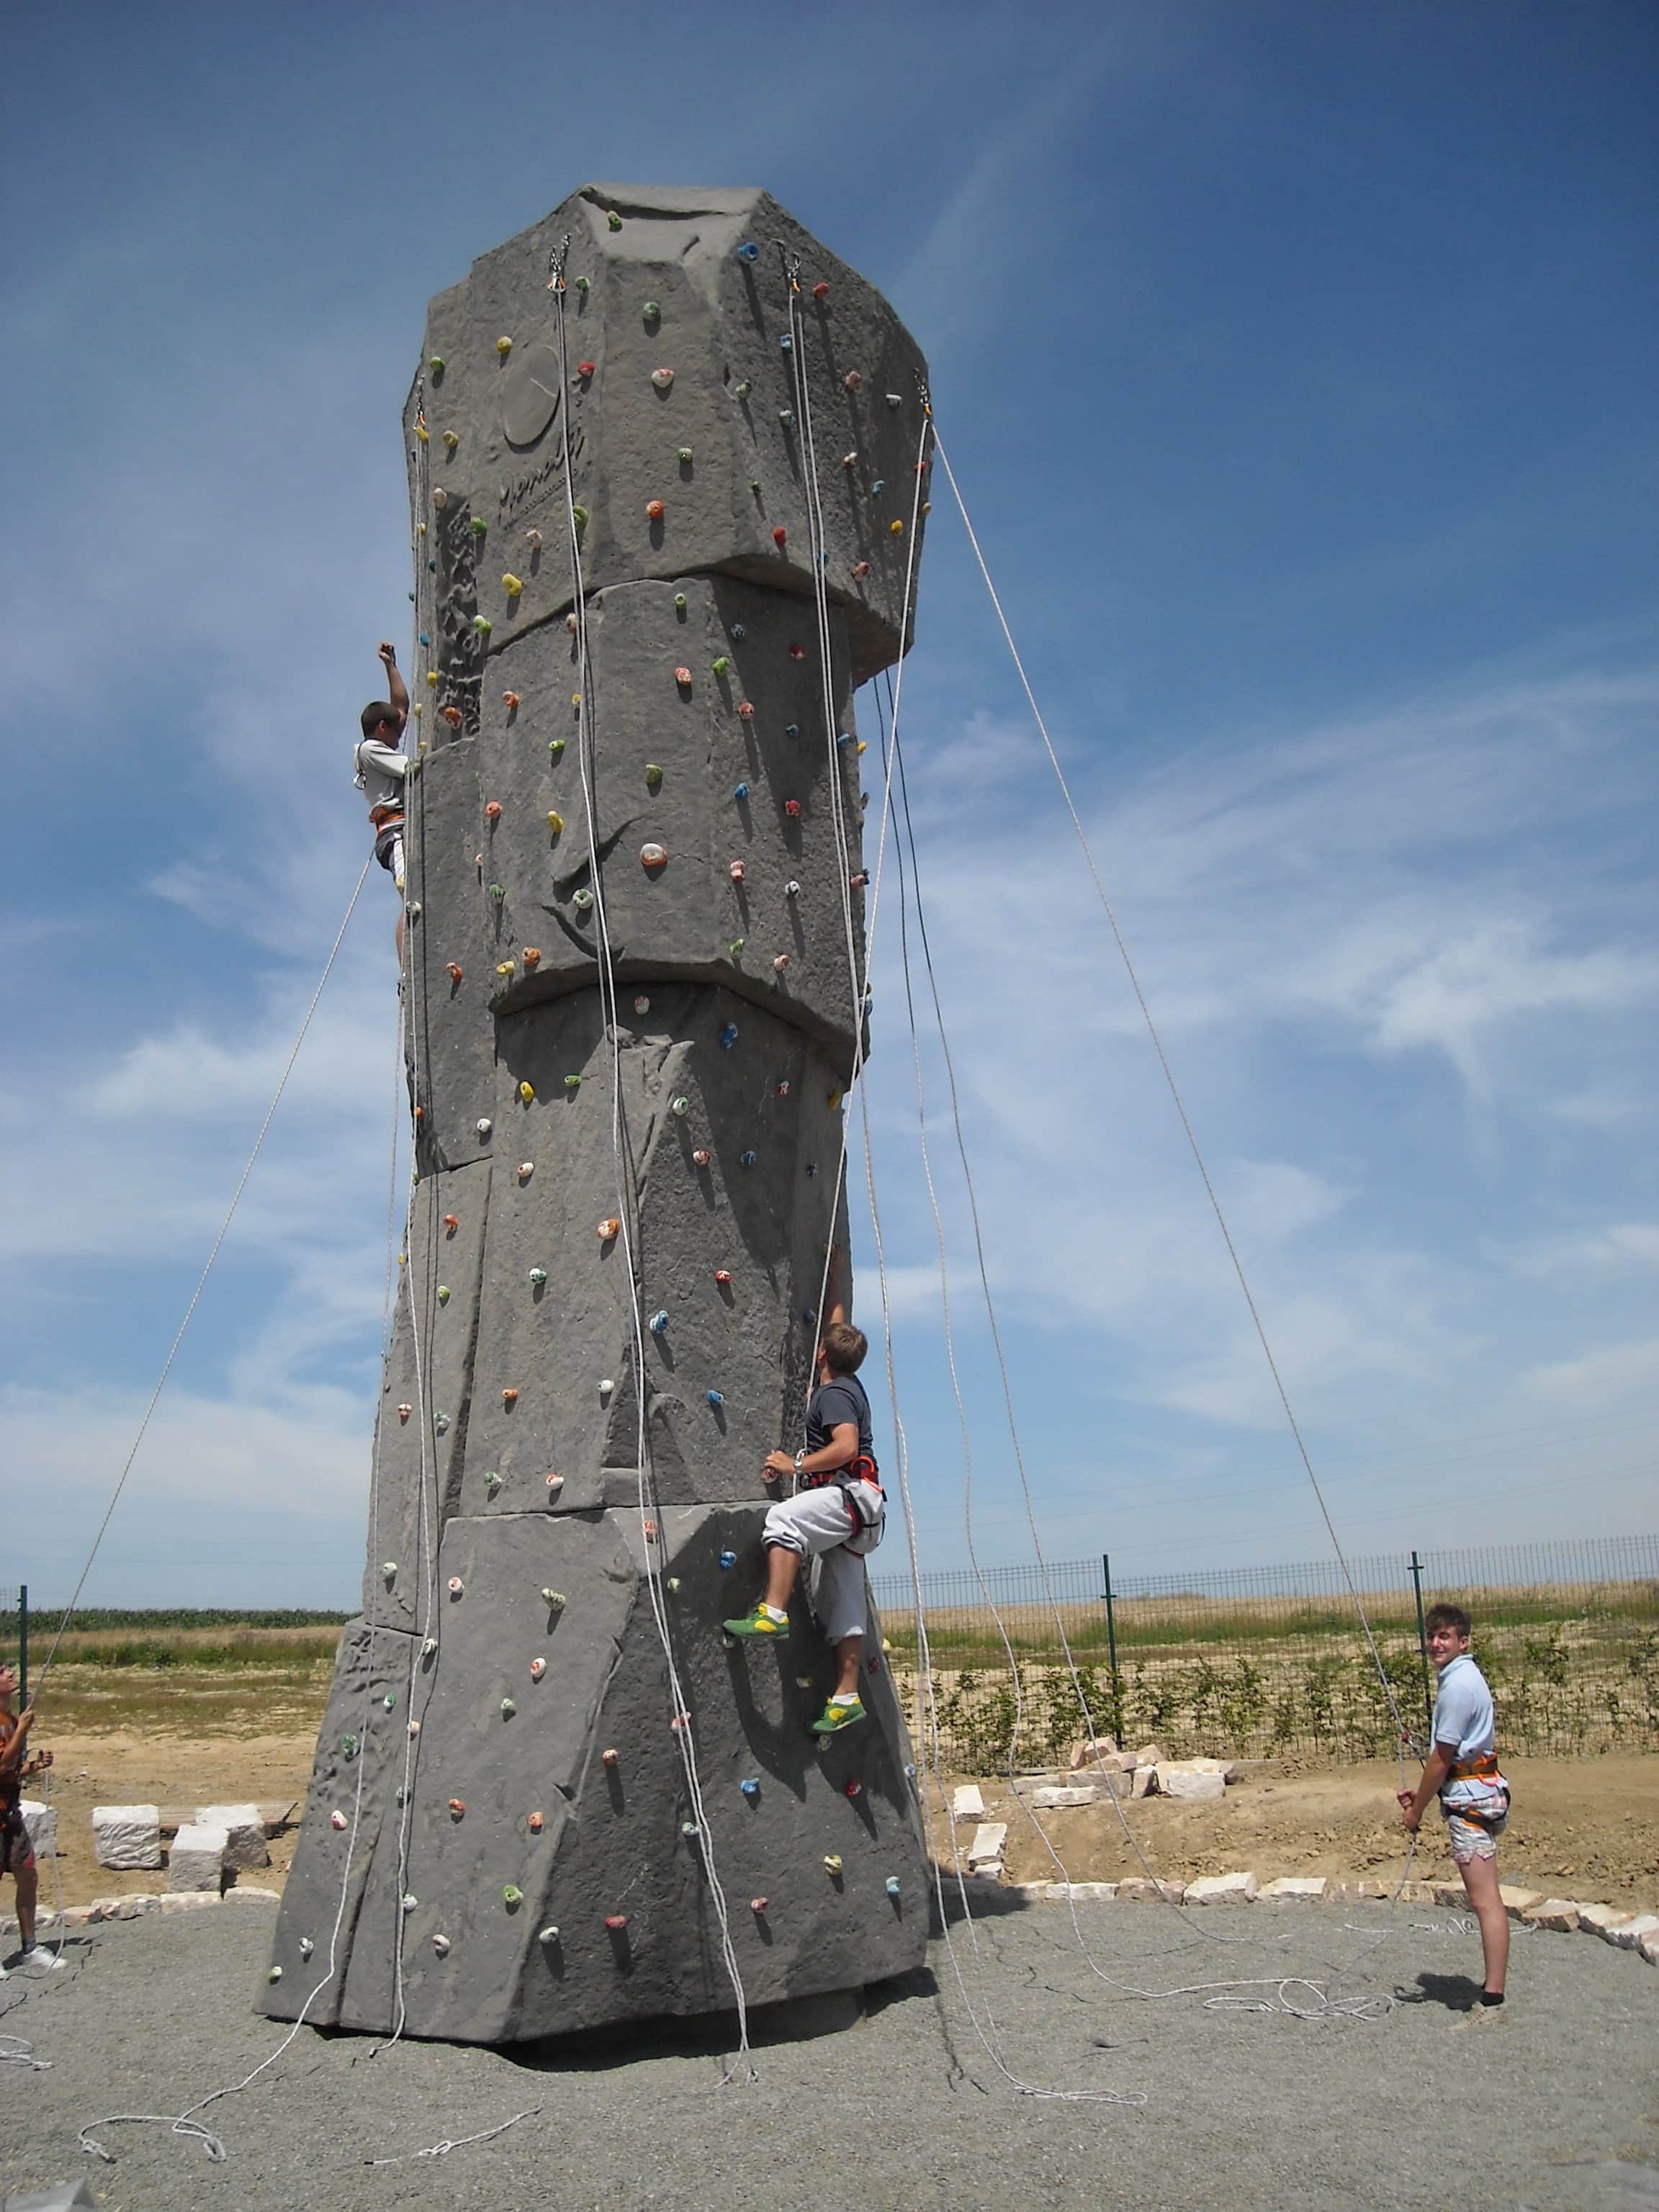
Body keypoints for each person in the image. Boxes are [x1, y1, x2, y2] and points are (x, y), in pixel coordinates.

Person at [723, 1251, 885, 1735]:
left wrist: (793, 1465)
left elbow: (845, 1447)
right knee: (844, 1601)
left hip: (849, 1495)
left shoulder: (833, 1395)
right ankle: (846, 1698)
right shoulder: (848, 1382)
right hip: (864, 1510)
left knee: (783, 1521)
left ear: (821, 1357)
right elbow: (837, 1329)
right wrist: (833, 1276)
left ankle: (773, 1612)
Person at [1398, 1601, 1510, 2023]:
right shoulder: (1464, 1677)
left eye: (1445, 1636)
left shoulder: (1457, 1686)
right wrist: (1429, 1791)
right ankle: (1493, 1990)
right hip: (1477, 1788)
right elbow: (1449, 1760)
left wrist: (1416, 1810)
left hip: (1470, 1802)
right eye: (1431, 1636)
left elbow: (1441, 1758)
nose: (1435, 1643)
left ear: (1463, 1641)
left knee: (1485, 1901)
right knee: (1488, 1899)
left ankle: (1493, 1999)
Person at [0, 1662, 61, 1976]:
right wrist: (23, 1730)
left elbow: (12, 1769)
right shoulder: (14, 1724)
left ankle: (30, 1946)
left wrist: (35, 1767)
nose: (10, 1674)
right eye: (2, 1672)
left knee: (28, 1876)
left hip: (11, 1814)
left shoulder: (11, 1720)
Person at [354, 641, 413, 961]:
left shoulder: (381, 746)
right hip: (395, 833)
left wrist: (390, 665)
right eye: (395, 731)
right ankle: (408, 971)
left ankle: (408, 967)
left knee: (412, 895)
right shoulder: (370, 750)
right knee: (412, 892)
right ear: (381, 727)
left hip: (402, 829)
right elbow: (411, 768)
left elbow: (400, 707)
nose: (399, 735)